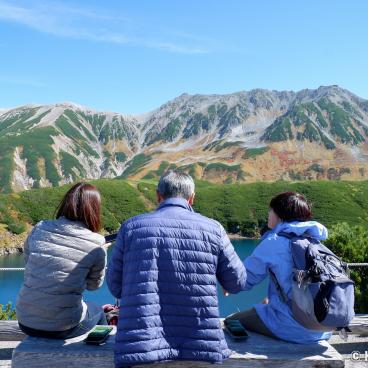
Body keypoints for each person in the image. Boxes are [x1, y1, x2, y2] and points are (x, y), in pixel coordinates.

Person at [107, 170, 246, 367]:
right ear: (192, 198)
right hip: (200, 349)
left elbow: (115, 287)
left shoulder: (130, 228)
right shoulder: (214, 229)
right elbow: (237, 283)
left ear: (158, 195)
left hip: (141, 350)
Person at [225, 191, 332, 344]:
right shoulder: (314, 241)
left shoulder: (275, 242)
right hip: (322, 328)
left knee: (231, 320)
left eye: (271, 210)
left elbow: (243, 279)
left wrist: (226, 282)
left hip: (292, 327)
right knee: (266, 307)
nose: (268, 214)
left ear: (280, 215)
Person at [16, 182, 107, 339]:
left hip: (25, 320)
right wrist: (101, 254)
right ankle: (99, 357)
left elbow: (29, 261)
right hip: (63, 326)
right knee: (98, 311)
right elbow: (94, 286)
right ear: (94, 210)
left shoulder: (39, 228)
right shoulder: (96, 242)